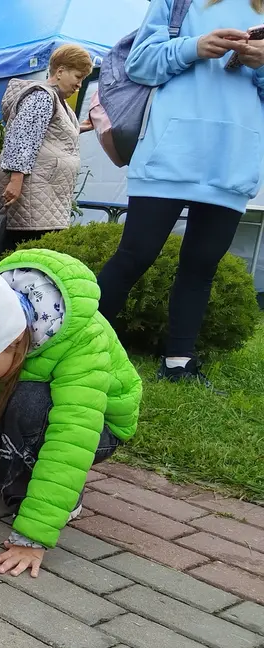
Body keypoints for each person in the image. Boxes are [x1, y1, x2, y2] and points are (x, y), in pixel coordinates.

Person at [0, 254, 142, 578]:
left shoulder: (81, 342)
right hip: (12, 396)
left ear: (15, 341)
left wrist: (33, 534)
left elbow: (72, 437)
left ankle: (43, 492)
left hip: (96, 427)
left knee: (31, 397)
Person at [96, 0, 264, 384]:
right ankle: (73, 344)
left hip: (233, 160)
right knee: (135, 255)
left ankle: (178, 363)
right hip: (169, 153)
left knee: (202, 266)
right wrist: (195, 46)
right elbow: (138, 63)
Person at [0, 44, 94, 254]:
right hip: (31, 191)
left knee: (28, 254)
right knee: (24, 253)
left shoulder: (55, 100)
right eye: (78, 77)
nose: (79, 85)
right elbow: (23, 135)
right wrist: (16, 180)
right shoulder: (42, 97)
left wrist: (81, 127)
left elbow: (47, 135)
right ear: (60, 71)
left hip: (42, 193)